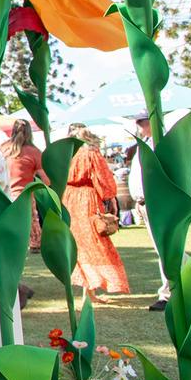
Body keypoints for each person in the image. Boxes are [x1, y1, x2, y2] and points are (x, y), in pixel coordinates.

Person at [65, 124, 130, 300]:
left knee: (78, 242)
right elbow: (103, 178)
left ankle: (89, 290)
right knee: (93, 241)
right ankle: (91, 288)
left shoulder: (66, 153)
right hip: (87, 198)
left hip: (68, 197)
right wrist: (110, 197)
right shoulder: (91, 153)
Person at [127, 117, 168, 311]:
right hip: (145, 202)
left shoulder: (161, 142)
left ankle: (168, 293)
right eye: (139, 122)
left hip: (157, 202)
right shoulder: (146, 144)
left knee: (167, 250)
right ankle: (170, 291)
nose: (141, 125)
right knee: (163, 250)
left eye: (144, 121)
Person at [1, 119, 49, 250]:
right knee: (31, 222)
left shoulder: (3, 148)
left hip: (3, 193)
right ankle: (34, 244)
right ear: (30, 132)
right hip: (25, 194)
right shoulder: (34, 152)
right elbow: (46, 180)